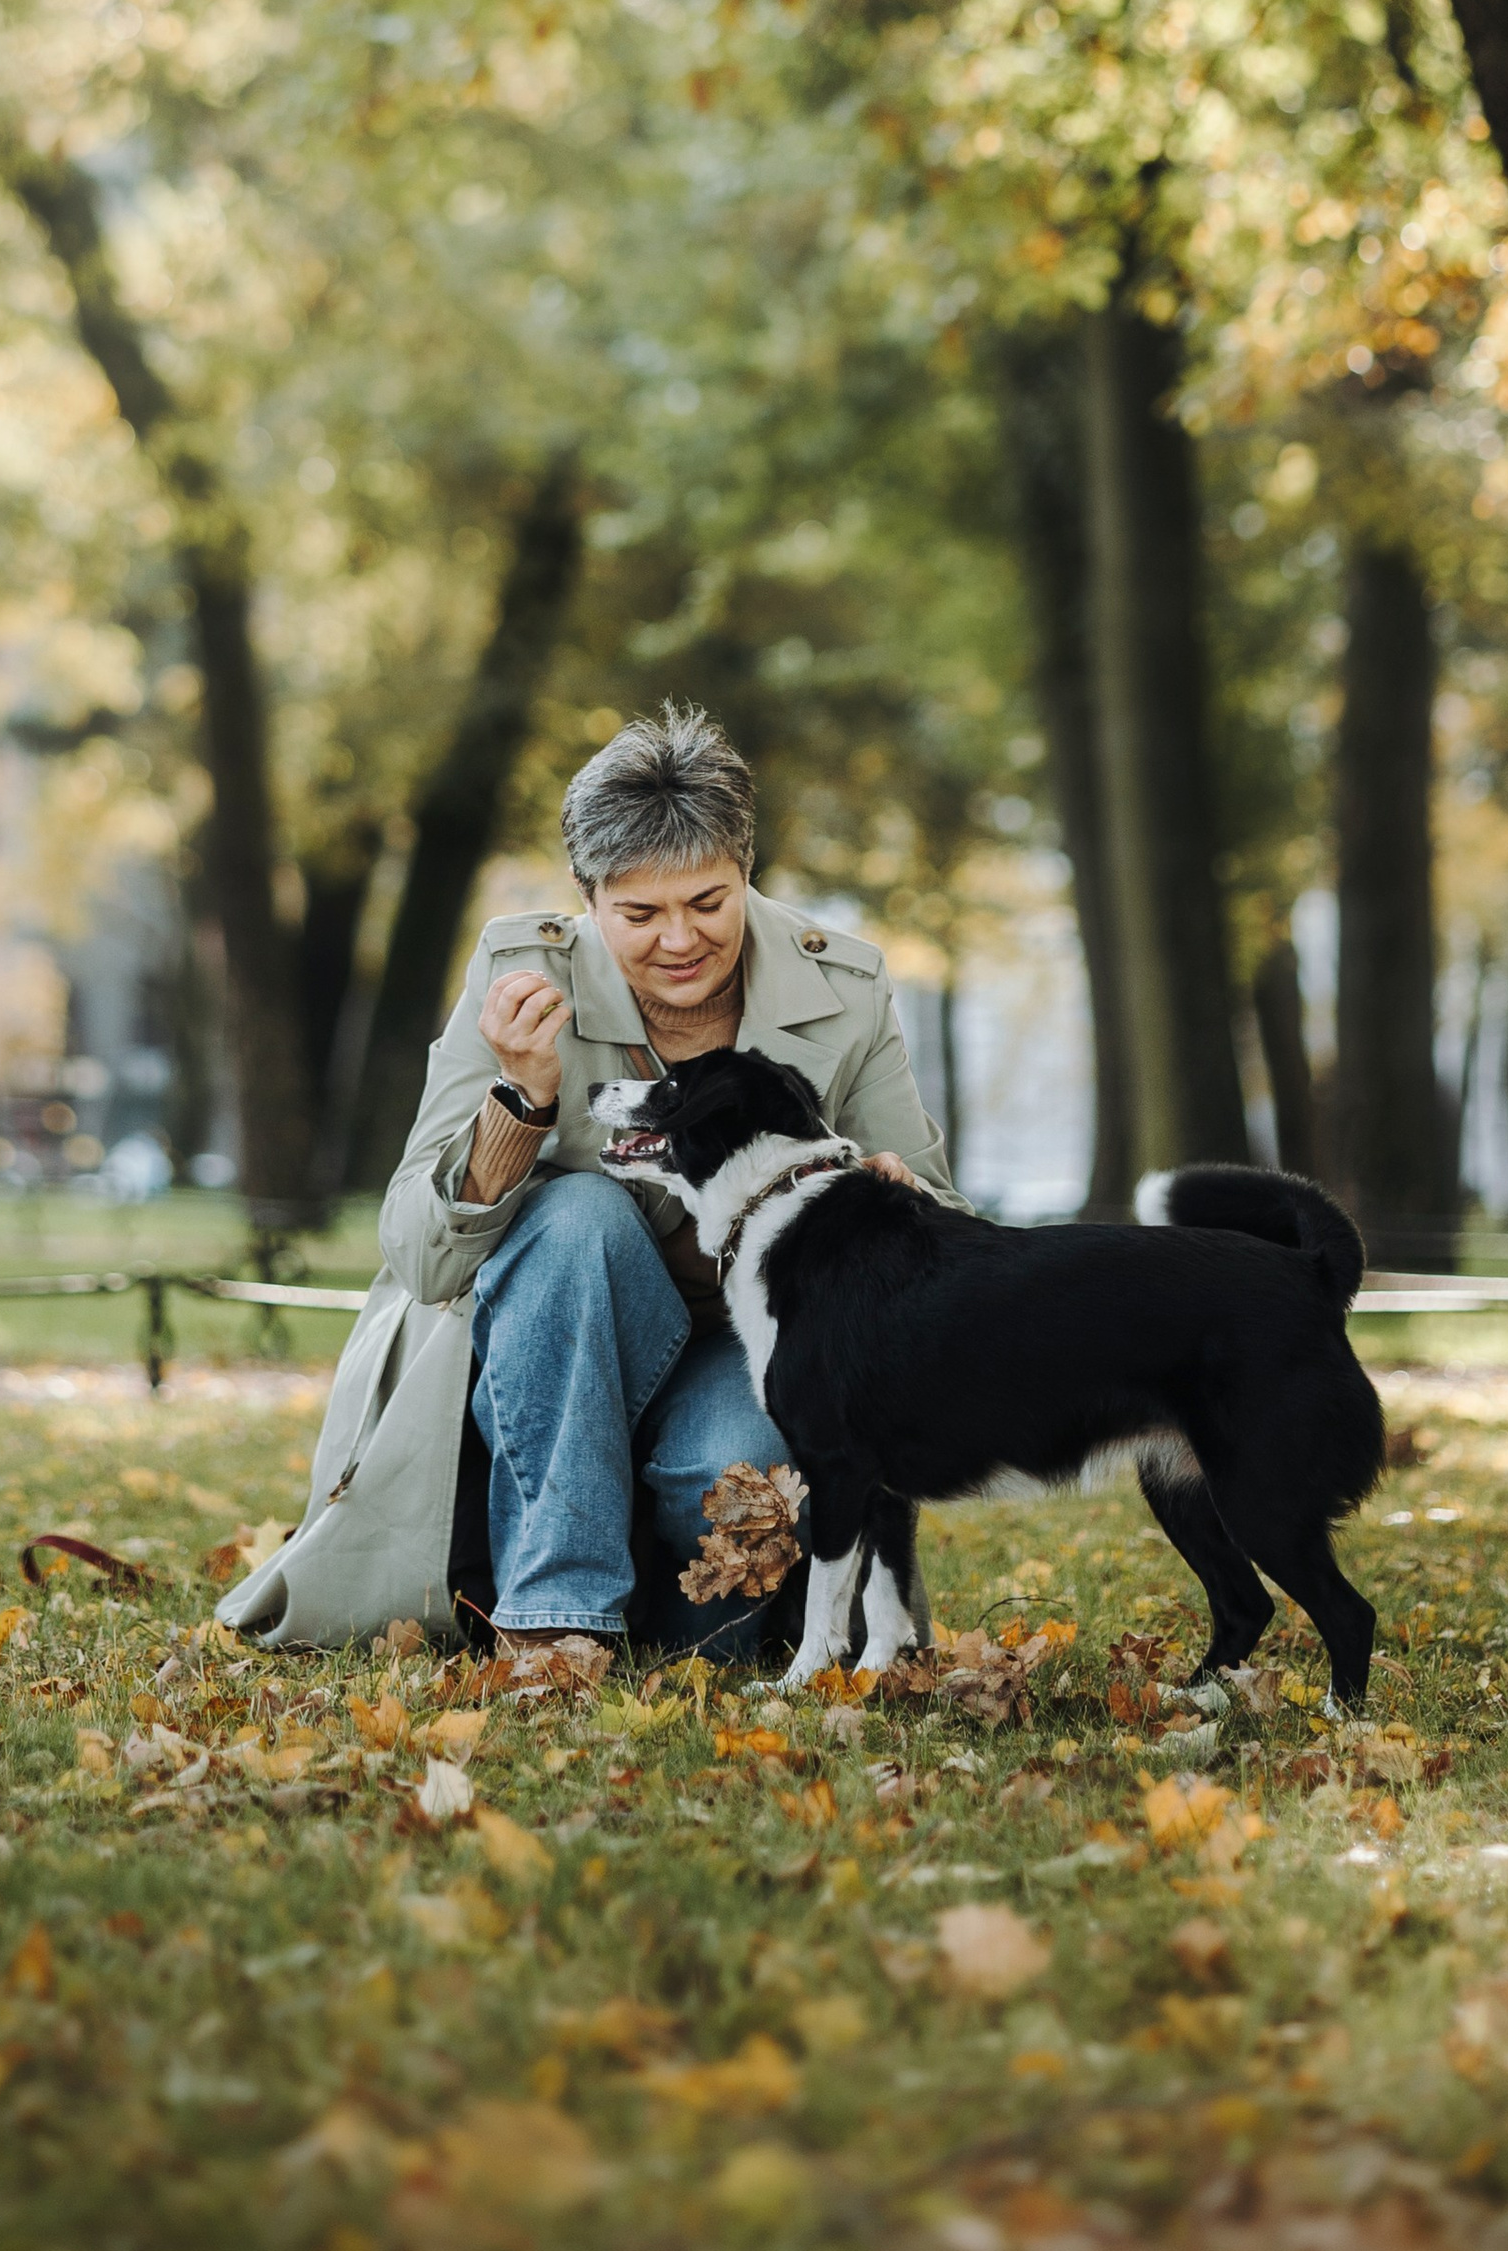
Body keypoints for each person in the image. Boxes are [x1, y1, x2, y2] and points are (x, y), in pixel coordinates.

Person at [215, 705, 956, 1660]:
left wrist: (902, 1206)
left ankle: (693, 1639)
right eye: (639, 914)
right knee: (575, 1213)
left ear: (746, 869)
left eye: (708, 902)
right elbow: (420, 1260)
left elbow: (941, 1222)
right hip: (555, 1346)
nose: (680, 940)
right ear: (587, 896)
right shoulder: (520, 971)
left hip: (749, 1343)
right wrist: (519, 1100)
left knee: (733, 1472)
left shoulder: (843, 990)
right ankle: (555, 1620)